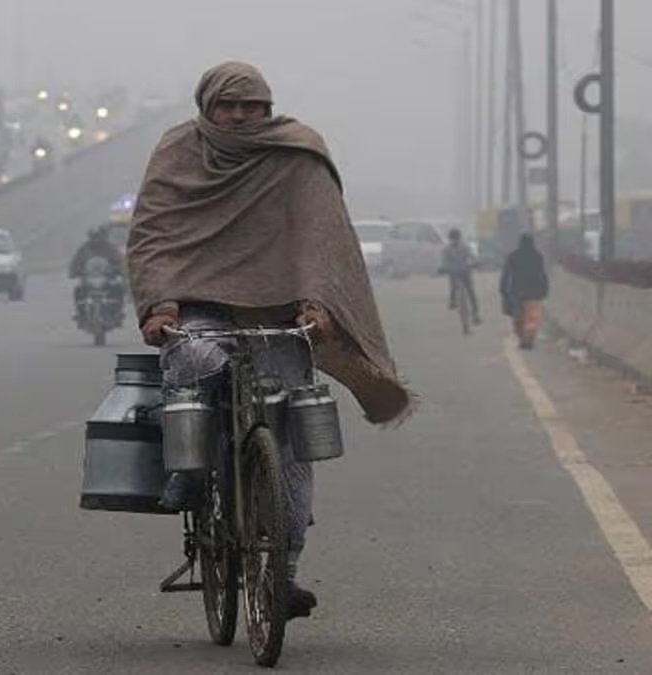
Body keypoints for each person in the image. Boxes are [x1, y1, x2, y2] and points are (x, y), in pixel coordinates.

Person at [127, 61, 413, 619]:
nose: (239, 116)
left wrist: (317, 302)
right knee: (195, 370)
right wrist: (160, 305)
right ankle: (189, 472)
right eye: (228, 106)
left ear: (269, 107)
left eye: (251, 106)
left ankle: (282, 574)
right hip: (199, 307)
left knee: (290, 443)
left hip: (280, 312)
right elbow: (154, 232)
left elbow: (318, 236)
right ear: (206, 107)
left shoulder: (296, 151)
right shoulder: (177, 151)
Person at [499, 233, 549, 350]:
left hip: (517, 292)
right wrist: (545, 289)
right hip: (534, 292)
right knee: (532, 318)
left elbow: (506, 274)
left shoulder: (513, 256)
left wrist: (502, 289)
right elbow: (542, 274)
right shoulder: (538, 256)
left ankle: (522, 338)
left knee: (518, 317)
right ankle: (529, 339)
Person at [70, 226, 125, 322]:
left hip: (107, 277)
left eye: (98, 236)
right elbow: (76, 261)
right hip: (89, 278)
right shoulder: (84, 248)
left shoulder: (109, 247)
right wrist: (74, 271)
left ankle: (117, 311)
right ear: (90, 237)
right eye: (94, 237)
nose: (96, 239)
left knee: (118, 288)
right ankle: (81, 313)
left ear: (102, 236)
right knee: (78, 290)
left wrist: (118, 270)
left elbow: (119, 260)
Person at [440, 228, 481, 325]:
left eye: (456, 238)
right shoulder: (446, 250)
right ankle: (452, 301)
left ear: (459, 238)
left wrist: (476, 263)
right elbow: (444, 261)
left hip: (465, 272)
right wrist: (443, 268)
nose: (454, 241)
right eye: (452, 239)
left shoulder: (465, 247)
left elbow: (472, 256)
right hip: (454, 273)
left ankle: (475, 314)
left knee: (471, 292)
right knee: (453, 288)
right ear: (450, 239)